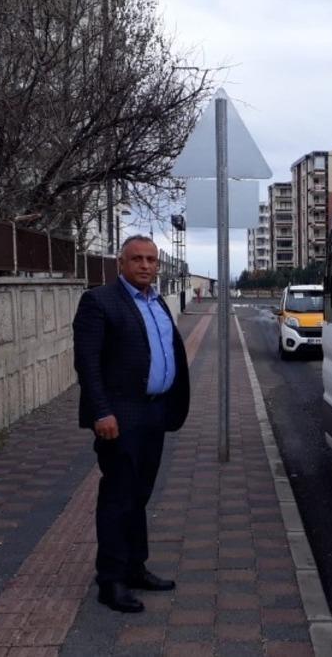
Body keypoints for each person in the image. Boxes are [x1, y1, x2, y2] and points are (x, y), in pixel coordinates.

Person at [72, 235, 191, 613]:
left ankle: (135, 566)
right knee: (118, 497)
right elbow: (87, 364)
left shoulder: (157, 302)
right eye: (137, 259)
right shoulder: (99, 301)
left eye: (151, 260)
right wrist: (100, 412)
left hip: (154, 413)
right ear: (121, 263)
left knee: (140, 495)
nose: (145, 266)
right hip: (119, 418)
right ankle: (111, 580)